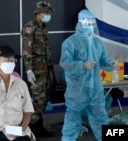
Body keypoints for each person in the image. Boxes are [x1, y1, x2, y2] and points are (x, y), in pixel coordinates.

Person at [59, 9, 117, 141]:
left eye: (92, 22)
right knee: (72, 122)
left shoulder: (97, 42)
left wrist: (110, 62)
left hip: (95, 91)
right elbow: (65, 63)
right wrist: (81, 65)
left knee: (101, 120)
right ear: (80, 22)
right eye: (87, 22)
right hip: (77, 91)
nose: (91, 25)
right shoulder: (70, 42)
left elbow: (103, 59)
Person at [21, 1, 54, 137]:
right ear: (39, 13)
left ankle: (38, 128)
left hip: (45, 71)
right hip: (36, 72)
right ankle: (27, 129)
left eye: (49, 12)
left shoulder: (43, 27)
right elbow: (27, 50)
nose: (48, 15)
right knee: (39, 101)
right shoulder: (30, 27)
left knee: (44, 100)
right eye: (46, 12)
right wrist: (29, 71)